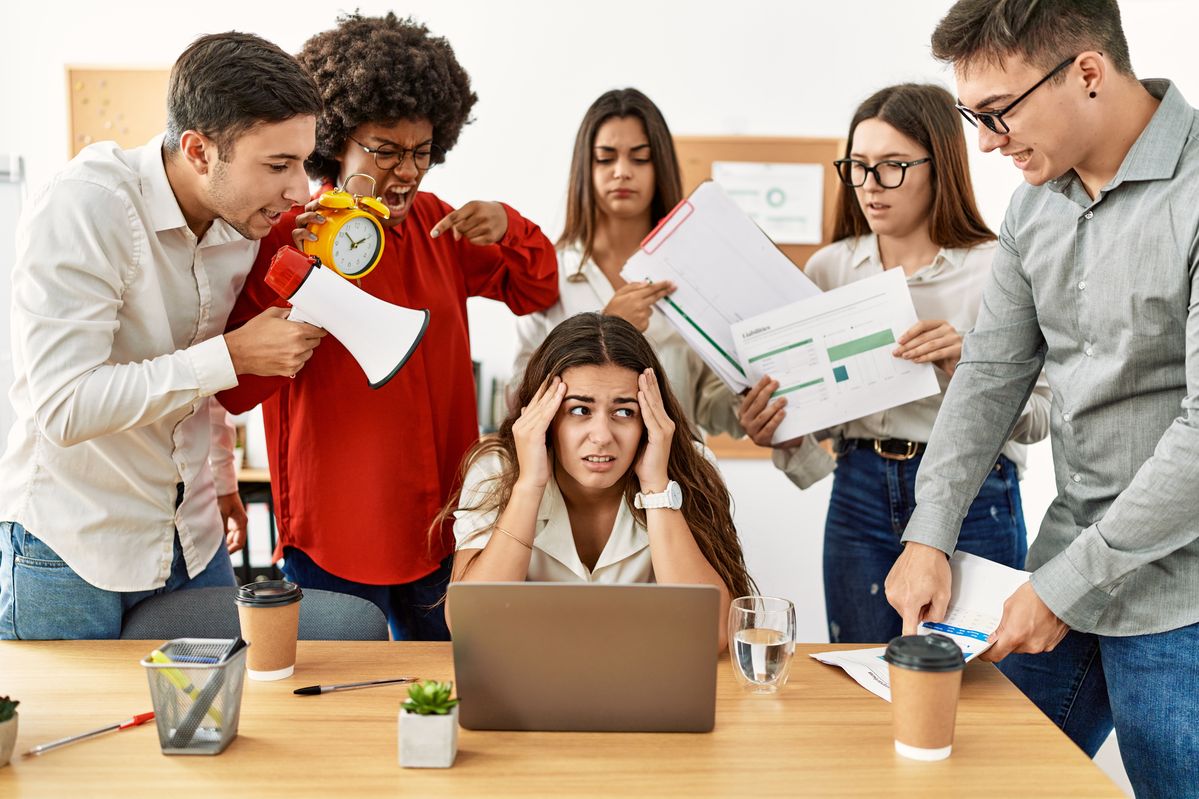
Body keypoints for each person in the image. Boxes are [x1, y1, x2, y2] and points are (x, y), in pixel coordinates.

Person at [883, 1, 1199, 795]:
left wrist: (1058, 588)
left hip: (1180, 596)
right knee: (979, 780)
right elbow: (988, 377)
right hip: (1066, 564)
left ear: (1087, 72)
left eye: (997, 112)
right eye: (973, 117)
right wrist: (928, 531)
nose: (986, 142)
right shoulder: (1032, 208)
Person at [217, 13, 558, 641]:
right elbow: (235, 390)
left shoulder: (439, 226)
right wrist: (289, 280)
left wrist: (510, 226)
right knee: (338, 693)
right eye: (387, 151)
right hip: (339, 531)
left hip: (442, 526)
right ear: (335, 141)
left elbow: (538, 289)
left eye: (422, 152)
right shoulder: (288, 237)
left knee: (449, 683)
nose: (408, 172)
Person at [0, 33, 325, 640]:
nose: (299, 190)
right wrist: (232, 355)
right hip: (74, 546)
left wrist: (222, 479)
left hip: (193, 537)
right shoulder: (86, 205)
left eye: (303, 162)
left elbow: (202, 370)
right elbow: (64, 407)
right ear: (199, 151)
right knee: (81, 708)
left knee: (223, 696)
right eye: (278, 165)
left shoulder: (242, 222)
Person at [738, 83, 1050, 645]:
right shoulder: (830, 269)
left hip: (974, 494)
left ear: (941, 166)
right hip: (858, 486)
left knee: (976, 677)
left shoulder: (995, 269)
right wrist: (782, 432)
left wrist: (970, 366)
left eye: (892, 166)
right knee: (858, 668)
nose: (869, 185)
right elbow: (821, 421)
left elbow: (1042, 417)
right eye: (857, 167)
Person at [448, 313, 753, 651]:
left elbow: (713, 635)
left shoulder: (688, 467)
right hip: (525, 676)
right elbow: (470, 625)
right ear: (544, 416)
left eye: (624, 412)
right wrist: (529, 485)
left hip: (645, 674)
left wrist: (656, 488)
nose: (602, 436)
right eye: (580, 410)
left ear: (649, 419)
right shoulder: (496, 469)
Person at [512, 89, 741, 437]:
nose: (622, 172)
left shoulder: (695, 273)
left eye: (640, 158)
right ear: (585, 167)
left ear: (660, 166)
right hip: (576, 472)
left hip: (674, 469)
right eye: (605, 159)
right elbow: (518, 402)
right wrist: (602, 332)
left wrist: (752, 409)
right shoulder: (549, 272)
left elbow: (712, 405)